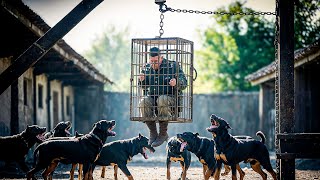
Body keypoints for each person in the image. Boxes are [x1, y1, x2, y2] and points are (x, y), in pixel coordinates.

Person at [138, 47, 187, 147]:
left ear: (161, 58)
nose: (153, 64)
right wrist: (142, 80)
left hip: (170, 102)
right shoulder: (147, 68)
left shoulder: (173, 66)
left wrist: (177, 82)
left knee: (162, 99)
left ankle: (163, 133)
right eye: (151, 61)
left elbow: (185, 83)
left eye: (156, 61)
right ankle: (153, 132)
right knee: (143, 102)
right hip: (154, 102)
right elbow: (144, 86)